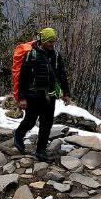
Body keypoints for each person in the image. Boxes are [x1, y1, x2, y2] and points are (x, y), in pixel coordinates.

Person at [12, 27, 72, 161]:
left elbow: (62, 75)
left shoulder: (55, 55)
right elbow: (23, 77)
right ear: (42, 41)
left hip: (49, 95)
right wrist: (22, 98)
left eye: (53, 41)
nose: (52, 44)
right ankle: (18, 134)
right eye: (49, 41)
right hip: (33, 95)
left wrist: (66, 93)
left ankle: (41, 151)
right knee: (30, 121)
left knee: (46, 124)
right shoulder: (31, 55)